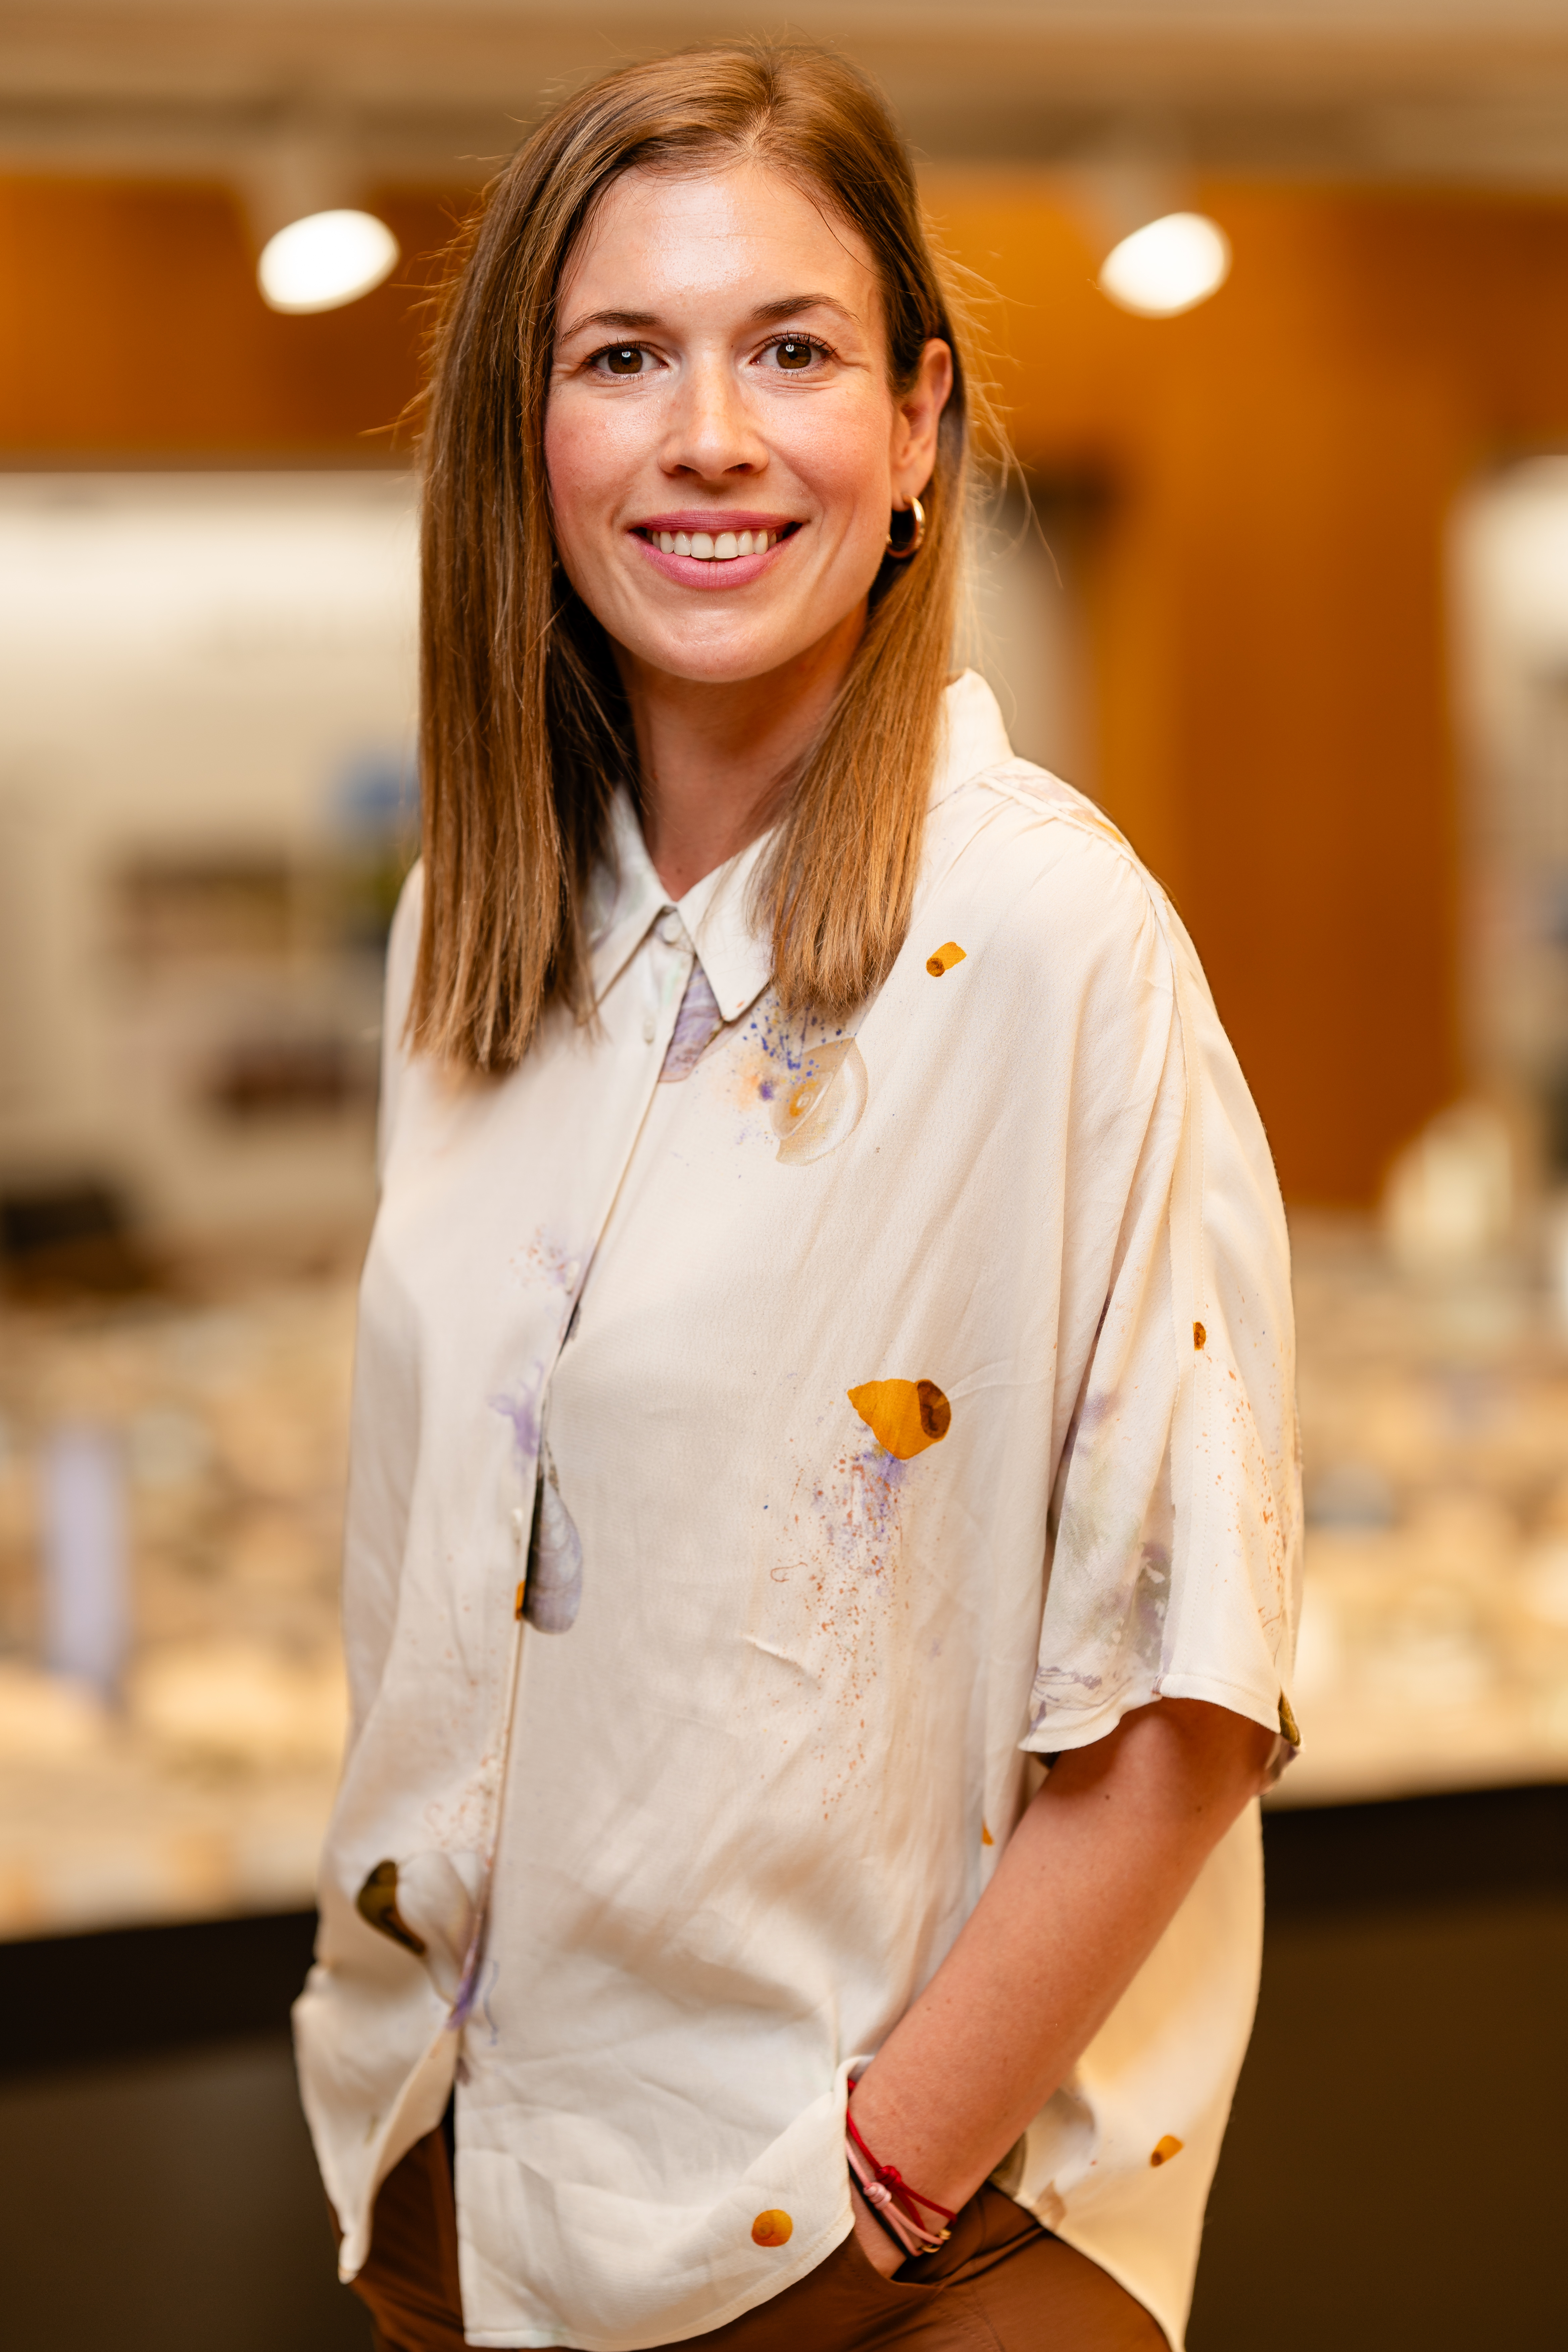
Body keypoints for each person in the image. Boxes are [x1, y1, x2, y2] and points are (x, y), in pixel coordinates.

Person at [294, 42, 1302, 2352]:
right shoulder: (471, 940)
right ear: (526, 444)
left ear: (921, 425)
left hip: (880, 2241)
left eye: (795, 352)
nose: (713, 436)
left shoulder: (1048, 936)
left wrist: (881, 2182)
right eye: (626, 356)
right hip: (471, 2196)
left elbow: (1189, 1678)